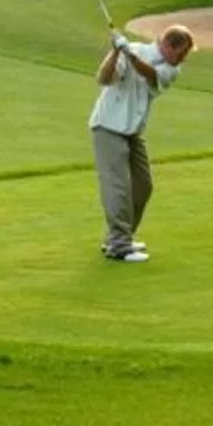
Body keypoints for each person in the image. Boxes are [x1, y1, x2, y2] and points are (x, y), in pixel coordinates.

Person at [89, 23, 192, 262]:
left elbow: (150, 74)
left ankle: (119, 236)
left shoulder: (170, 69)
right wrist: (115, 52)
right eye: (181, 53)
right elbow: (103, 79)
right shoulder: (132, 50)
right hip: (108, 127)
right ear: (167, 45)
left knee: (143, 185)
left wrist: (128, 53)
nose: (183, 59)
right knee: (119, 188)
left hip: (133, 132)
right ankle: (119, 246)